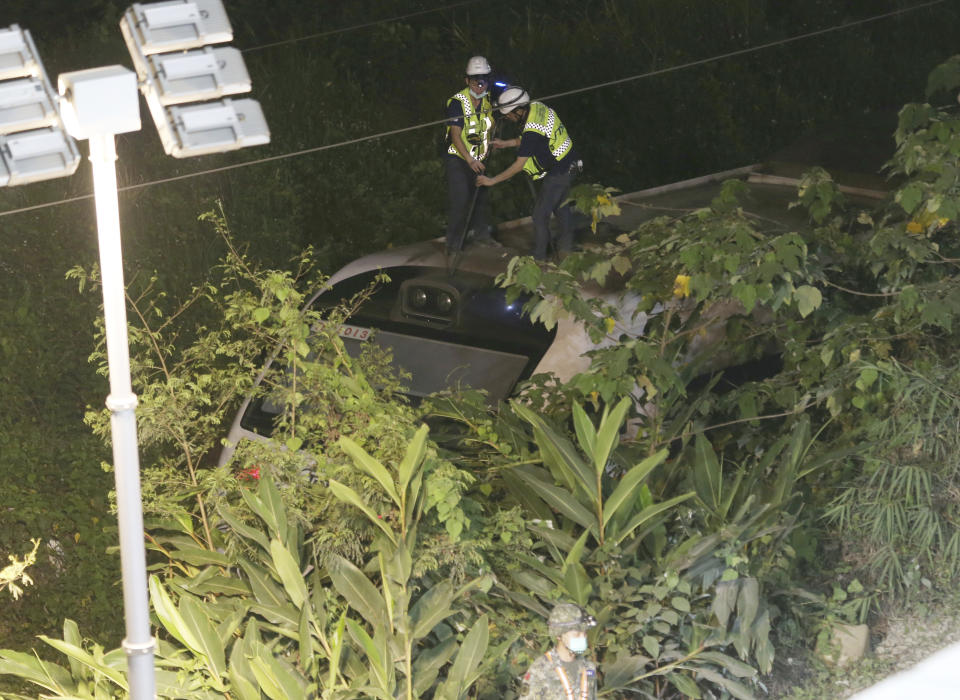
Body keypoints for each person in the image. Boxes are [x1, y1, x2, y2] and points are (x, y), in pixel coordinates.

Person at [477, 86, 583, 260]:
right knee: (561, 207)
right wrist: (506, 143)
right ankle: (566, 248)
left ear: (519, 110)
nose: (509, 118)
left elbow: (519, 164)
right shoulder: (537, 107)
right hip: (572, 163)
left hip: (560, 171)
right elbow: (533, 139)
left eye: (510, 114)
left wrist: (492, 181)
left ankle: (539, 259)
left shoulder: (531, 129)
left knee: (539, 216)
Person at [444, 55, 499, 254]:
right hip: (459, 159)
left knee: (481, 197)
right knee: (461, 200)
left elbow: (488, 126)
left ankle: (482, 237)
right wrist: (469, 159)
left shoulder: (487, 102)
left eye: (483, 78)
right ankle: (453, 245)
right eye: (475, 79)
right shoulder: (458, 103)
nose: (480, 84)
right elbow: (455, 135)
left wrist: (492, 143)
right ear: (467, 80)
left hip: (480, 159)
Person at [518, 602, 598, 700]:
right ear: (559, 635)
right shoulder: (540, 669)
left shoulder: (588, 667)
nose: (583, 638)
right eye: (576, 634)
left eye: (585, 633)